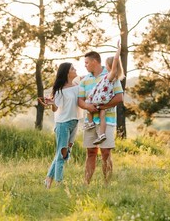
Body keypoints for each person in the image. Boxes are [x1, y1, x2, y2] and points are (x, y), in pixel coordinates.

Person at [78, 45, 124, 185]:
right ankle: (86, 183)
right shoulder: (85, 80)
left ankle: (106, 184)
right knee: (91, 152)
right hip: (90, 121)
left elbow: (119, 98)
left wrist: (101, 107)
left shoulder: (110, 75)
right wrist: (88, 107)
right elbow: (80, 100)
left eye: (86, 62)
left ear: (95, 61)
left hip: (107, 121)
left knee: (105, 153)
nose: (85, 65)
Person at [38, 62, 82, 189]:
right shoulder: (59, 90)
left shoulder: (77, 85)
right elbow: (55, 109)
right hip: (63, 124)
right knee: (62, 154)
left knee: (63, 153)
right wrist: (52, 103)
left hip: (75, 122)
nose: (75, 70)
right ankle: (59, 184)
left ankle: (48, 180)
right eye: (73, 68)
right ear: (67, 72)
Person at [83, 41, 125, 146]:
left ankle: (90, 123)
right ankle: (102, 134)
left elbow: (115, 60)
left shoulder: (111, 75)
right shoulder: (113, 77)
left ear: (110, 66)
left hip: (100, 98)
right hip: (104, 100)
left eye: (106, 64)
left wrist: (118, 50)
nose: (104, 66)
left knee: (88, 104)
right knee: (102, 114)